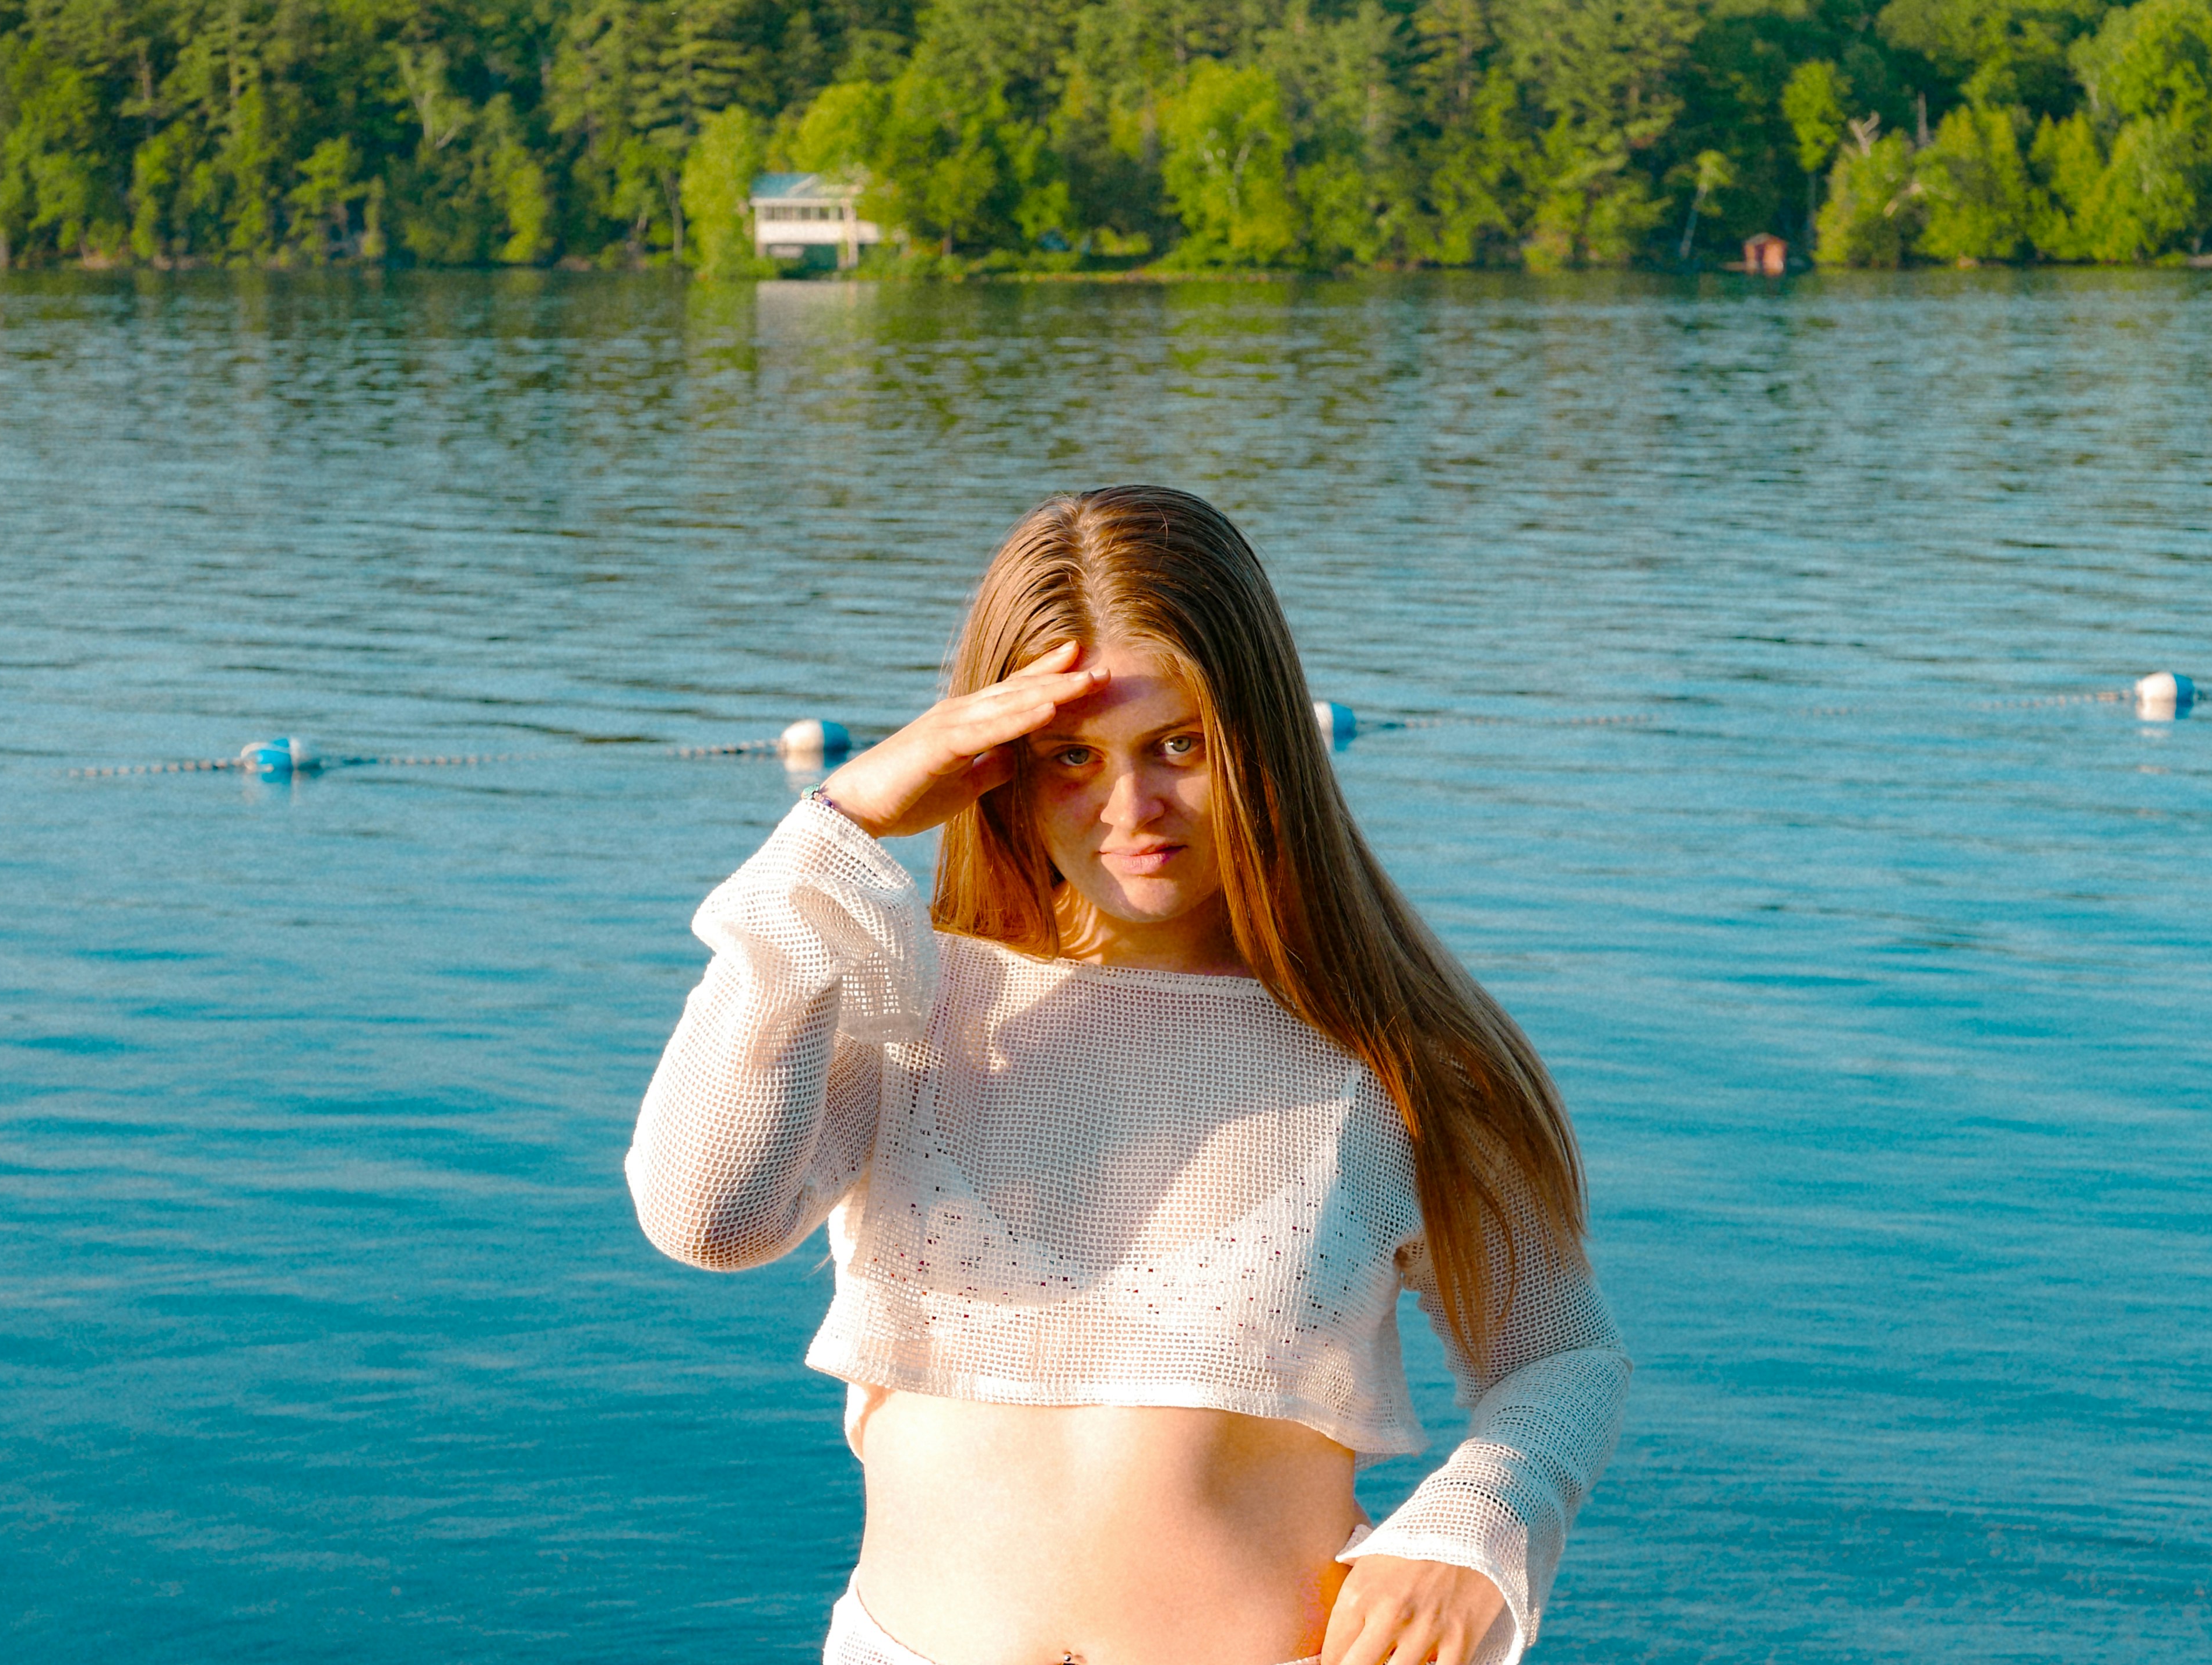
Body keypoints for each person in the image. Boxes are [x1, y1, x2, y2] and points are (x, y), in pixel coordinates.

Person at [626, 486, 1629, 1665]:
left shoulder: (1393, 1057)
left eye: (1181, 746)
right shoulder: (911, 1007)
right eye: (1071, 756)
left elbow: (1563, 1357)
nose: (1132, 807)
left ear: (1258, 741)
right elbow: (705, 1216)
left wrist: (1475, 1531)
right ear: (992, 761)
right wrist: (835, 829)